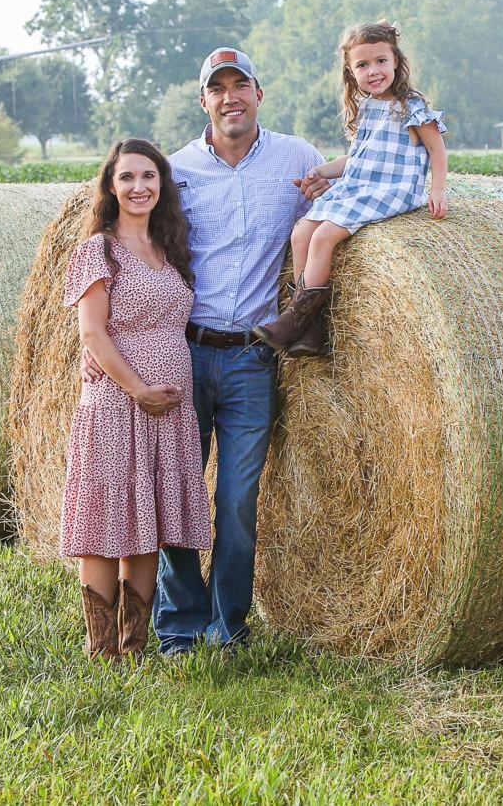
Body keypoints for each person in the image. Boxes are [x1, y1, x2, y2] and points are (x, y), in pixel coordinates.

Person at [148, 46, 325, 654]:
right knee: (178, 491)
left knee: (236, 498)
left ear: (258, 93)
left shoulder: (298, 159)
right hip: (182, 352)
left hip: (253, 356)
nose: (231, 97)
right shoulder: (174, 172)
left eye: (240, 85)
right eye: (217, 88)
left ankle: (230, 626)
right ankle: (179, 624)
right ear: (204, 101)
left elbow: (352, 203)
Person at [60, 138, 212, 659]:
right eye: (127, 177)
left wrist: (160, 396)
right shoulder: (97, 251)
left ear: (162, 184)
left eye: (148, 176)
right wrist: (139, 390)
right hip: (115, 406)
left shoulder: (167, 248)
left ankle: (135, 646)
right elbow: (93, 335)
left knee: (150, 523)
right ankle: (102, 649)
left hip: (167, 413)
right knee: (107, 524)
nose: (138, 187)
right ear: (109, 186)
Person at [252, 21, 448, 356]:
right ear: (350, 71)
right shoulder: (367, 109)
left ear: (396, 61)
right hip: (358, 186)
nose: (374, 71)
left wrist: (438, 190)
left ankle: (294, 320)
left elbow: (437, 150)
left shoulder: (411, 107)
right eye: (363, 65)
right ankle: (310, 329)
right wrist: (318, 170)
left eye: (381, 61)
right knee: (301, 232)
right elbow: (355, 158)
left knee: (325, 235)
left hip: (390, 189)